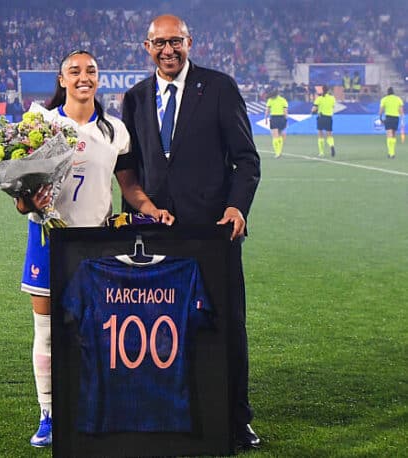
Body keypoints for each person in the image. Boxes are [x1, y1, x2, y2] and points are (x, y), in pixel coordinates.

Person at [14, 50, 174, 448]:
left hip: (97, 242)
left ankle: (93, 404)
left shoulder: (115, 131)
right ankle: (48, 413)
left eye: (91, 71)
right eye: (75, 71)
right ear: (62, 79)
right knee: (48, 332)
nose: (84, 77)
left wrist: (151, 209)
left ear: (98, 79)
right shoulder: (41, 124)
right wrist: (28, 203)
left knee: (97, 330)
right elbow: (21, 198)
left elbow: (129, 185)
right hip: (49, 240)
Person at [116, 14, 262, 450]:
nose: (168, 50)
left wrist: (236, 206)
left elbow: (247, 160)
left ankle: (237, 418)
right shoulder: (136, 97)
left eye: (175, 41)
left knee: (227, 324)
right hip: (154, 234)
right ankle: (160, 412)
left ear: (189, 42)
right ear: (147, 47)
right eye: (159, 43)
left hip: (213, 233)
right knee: (155, 328)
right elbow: (129, 167)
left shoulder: (219, 87)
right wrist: (141, 211)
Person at [378, 87, 404, 159]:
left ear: (387, 92)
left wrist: (380, 117)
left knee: (389, 135)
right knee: (394, 135)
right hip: (396, 118)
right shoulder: (398, 99)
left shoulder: (384, 99)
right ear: (393, 92)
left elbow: (381, 109)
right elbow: (401, 110)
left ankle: (391, 153)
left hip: (388, 117)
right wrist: (402, 120)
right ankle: (392, 153)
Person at [311, 85, 336, 157]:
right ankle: (331, 145)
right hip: (329, 117)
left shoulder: (319, 99)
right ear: (328, 90)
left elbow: (314, 109)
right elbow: (333, 107)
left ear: (322, 90)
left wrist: (313, 112)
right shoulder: (332, 98)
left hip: (321, 117)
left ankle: (321, 152)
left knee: (320, 135)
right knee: (329, 135)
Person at [264, 88, 288, 158]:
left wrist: (265, 118)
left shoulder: (270, 100)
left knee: (275, 136)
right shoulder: (283, 100)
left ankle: (277, 153)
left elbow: (267, 110)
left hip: (274, 118)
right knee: (280, 135)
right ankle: (279, 151)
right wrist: (286, 120)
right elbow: (285, 111)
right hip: (281, 118)